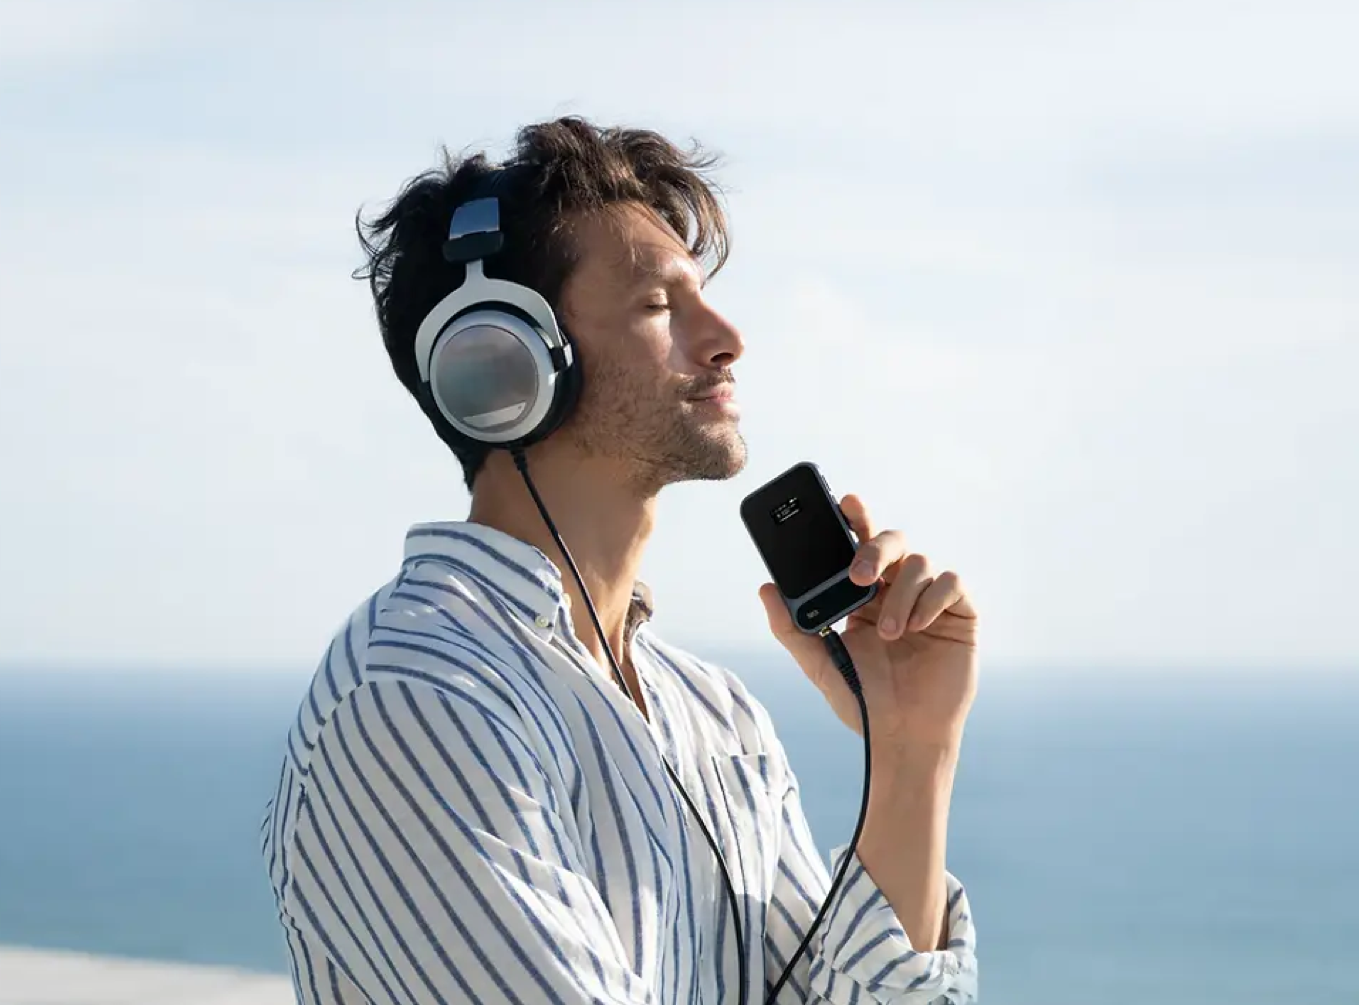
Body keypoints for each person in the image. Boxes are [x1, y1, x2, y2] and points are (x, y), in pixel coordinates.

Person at [263, 117, 982, 1004]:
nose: (726, 337)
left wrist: (912, 751)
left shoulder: (716, 718)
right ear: (502, 364)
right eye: (657, 305)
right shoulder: (419, 696)